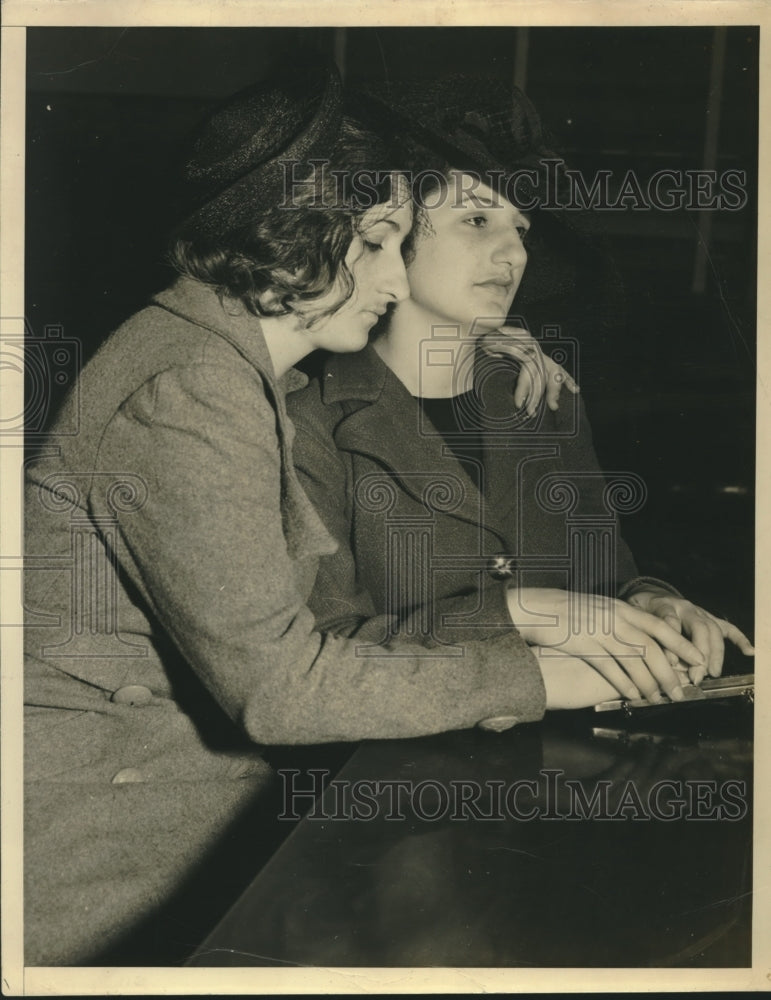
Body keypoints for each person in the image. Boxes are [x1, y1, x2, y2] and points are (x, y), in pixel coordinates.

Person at [22, 59, 606, 969]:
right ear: (300, 236)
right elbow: (282, 687)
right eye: (377, 242)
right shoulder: (192, 390)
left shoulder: (226, 366)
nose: (393, 272)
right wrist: (538, 679)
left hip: (196, 837)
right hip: (104, 878)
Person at [287, 74, 754, 711]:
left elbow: (604, 579)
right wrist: (511, 615)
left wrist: (652, 602)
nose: (513, 253)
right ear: (389, 234)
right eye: (476, 218)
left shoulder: (546, 399)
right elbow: (320, 656)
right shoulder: (307, 422)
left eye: (522, 229)